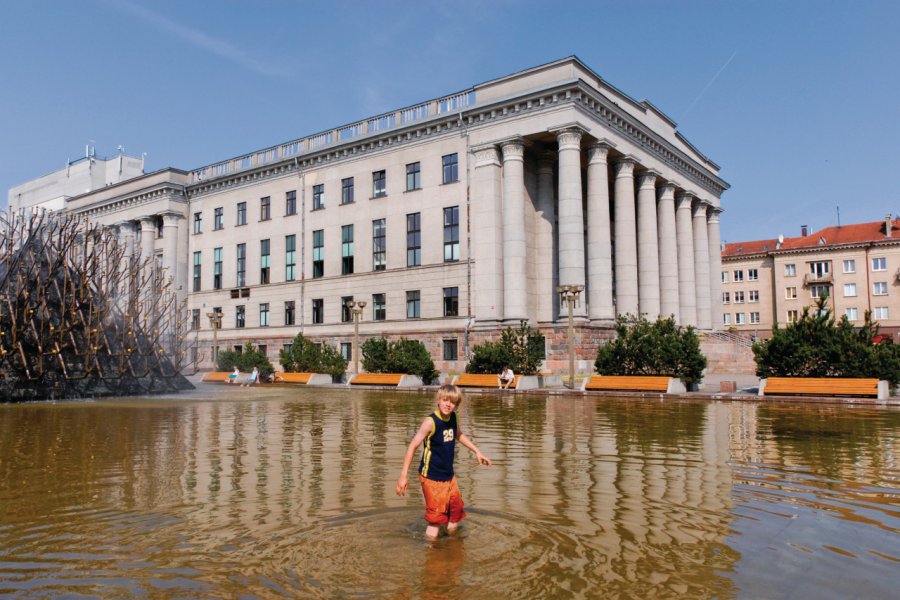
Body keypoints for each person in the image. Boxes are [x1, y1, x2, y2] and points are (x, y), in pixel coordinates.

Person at [396, 384, 492, 539]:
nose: (448, 404)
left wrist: (477, 451)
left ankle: (449, 547)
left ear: (457, 405)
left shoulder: (453, 417)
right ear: (438, 400)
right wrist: (403, 476)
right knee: (435, 520)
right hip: (432, 477)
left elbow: (458, 434)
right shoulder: (430, 422)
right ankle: (431, 552)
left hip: (449, 476)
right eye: (445, 400)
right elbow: (413, 445)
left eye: (453, 402)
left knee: (455, 513)